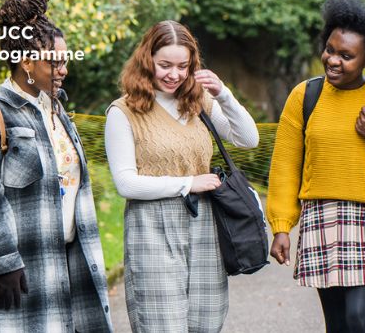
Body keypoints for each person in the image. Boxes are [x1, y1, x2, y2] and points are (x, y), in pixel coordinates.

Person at [0, 0, 112, 331]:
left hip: (70, 266)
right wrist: (6, 260)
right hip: (19, 273)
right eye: (54, 62)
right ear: (26, 62)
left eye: (66, 60)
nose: (64, 70)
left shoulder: (57, 112)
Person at [265, 0, 365, 333]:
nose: (333, 60)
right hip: (321, 217)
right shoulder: (305, 96)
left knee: (359, 318)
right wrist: (281, 226)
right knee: (336, 324)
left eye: (346, 56)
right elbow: (286, 165)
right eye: (330, 49)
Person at [105, 20, 259, 332]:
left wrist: (223, 94)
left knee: (207, 321)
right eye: (165, 65)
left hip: (204, 224)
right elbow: (125, 183)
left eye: (183, 66)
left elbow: (248, 138)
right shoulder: (123, 112)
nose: (174, 74)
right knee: (162, 323)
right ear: (147, 60)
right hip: (152, 227)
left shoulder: (198, 101)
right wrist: (189, 183)